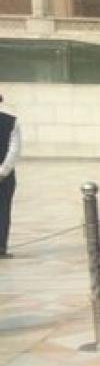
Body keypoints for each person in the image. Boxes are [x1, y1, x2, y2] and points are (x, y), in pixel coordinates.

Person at [0, 94, 19, 259]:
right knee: (3, 211)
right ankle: (1, 247)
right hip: (4, 177)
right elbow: (14, 150)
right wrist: (3, 171)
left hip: (4, 177)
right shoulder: (11, 122)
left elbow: (14, 148)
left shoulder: (11, 121)